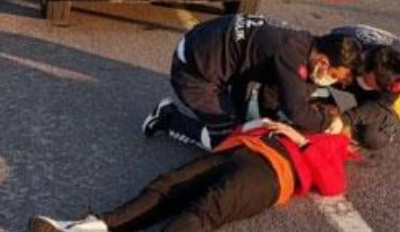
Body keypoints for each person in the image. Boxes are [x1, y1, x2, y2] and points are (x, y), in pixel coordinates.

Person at [30, 121, 356, 232]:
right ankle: (94, 229)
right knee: (168, 185)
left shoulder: (330, 144)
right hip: (238, 151)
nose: (326, 116)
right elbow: (232, 135)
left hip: (273, 174)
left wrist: (302, 142)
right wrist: (256, 125)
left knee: (210, 207)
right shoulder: (293, 118)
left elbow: (331, 185)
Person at [141, 15, 363, 150]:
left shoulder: (304, 42)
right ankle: (167, 118)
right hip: (192, 72)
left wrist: (270, 120)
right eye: (335, 75)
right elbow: (296, 110)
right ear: (323, 61)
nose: (332, 81)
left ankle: (230, 117)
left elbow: (272, 88)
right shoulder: (291, 56)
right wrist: (330, 124)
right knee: (227, 142)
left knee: (247, 125)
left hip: (211, 51)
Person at [331, 25, 400, 151]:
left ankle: (388, 125)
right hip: (352, 52)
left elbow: (380, 104)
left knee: (373, 136)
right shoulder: (343, 49)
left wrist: (346, 119)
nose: (378, 88)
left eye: (382, 86)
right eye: (376, 83)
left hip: (397, 98)